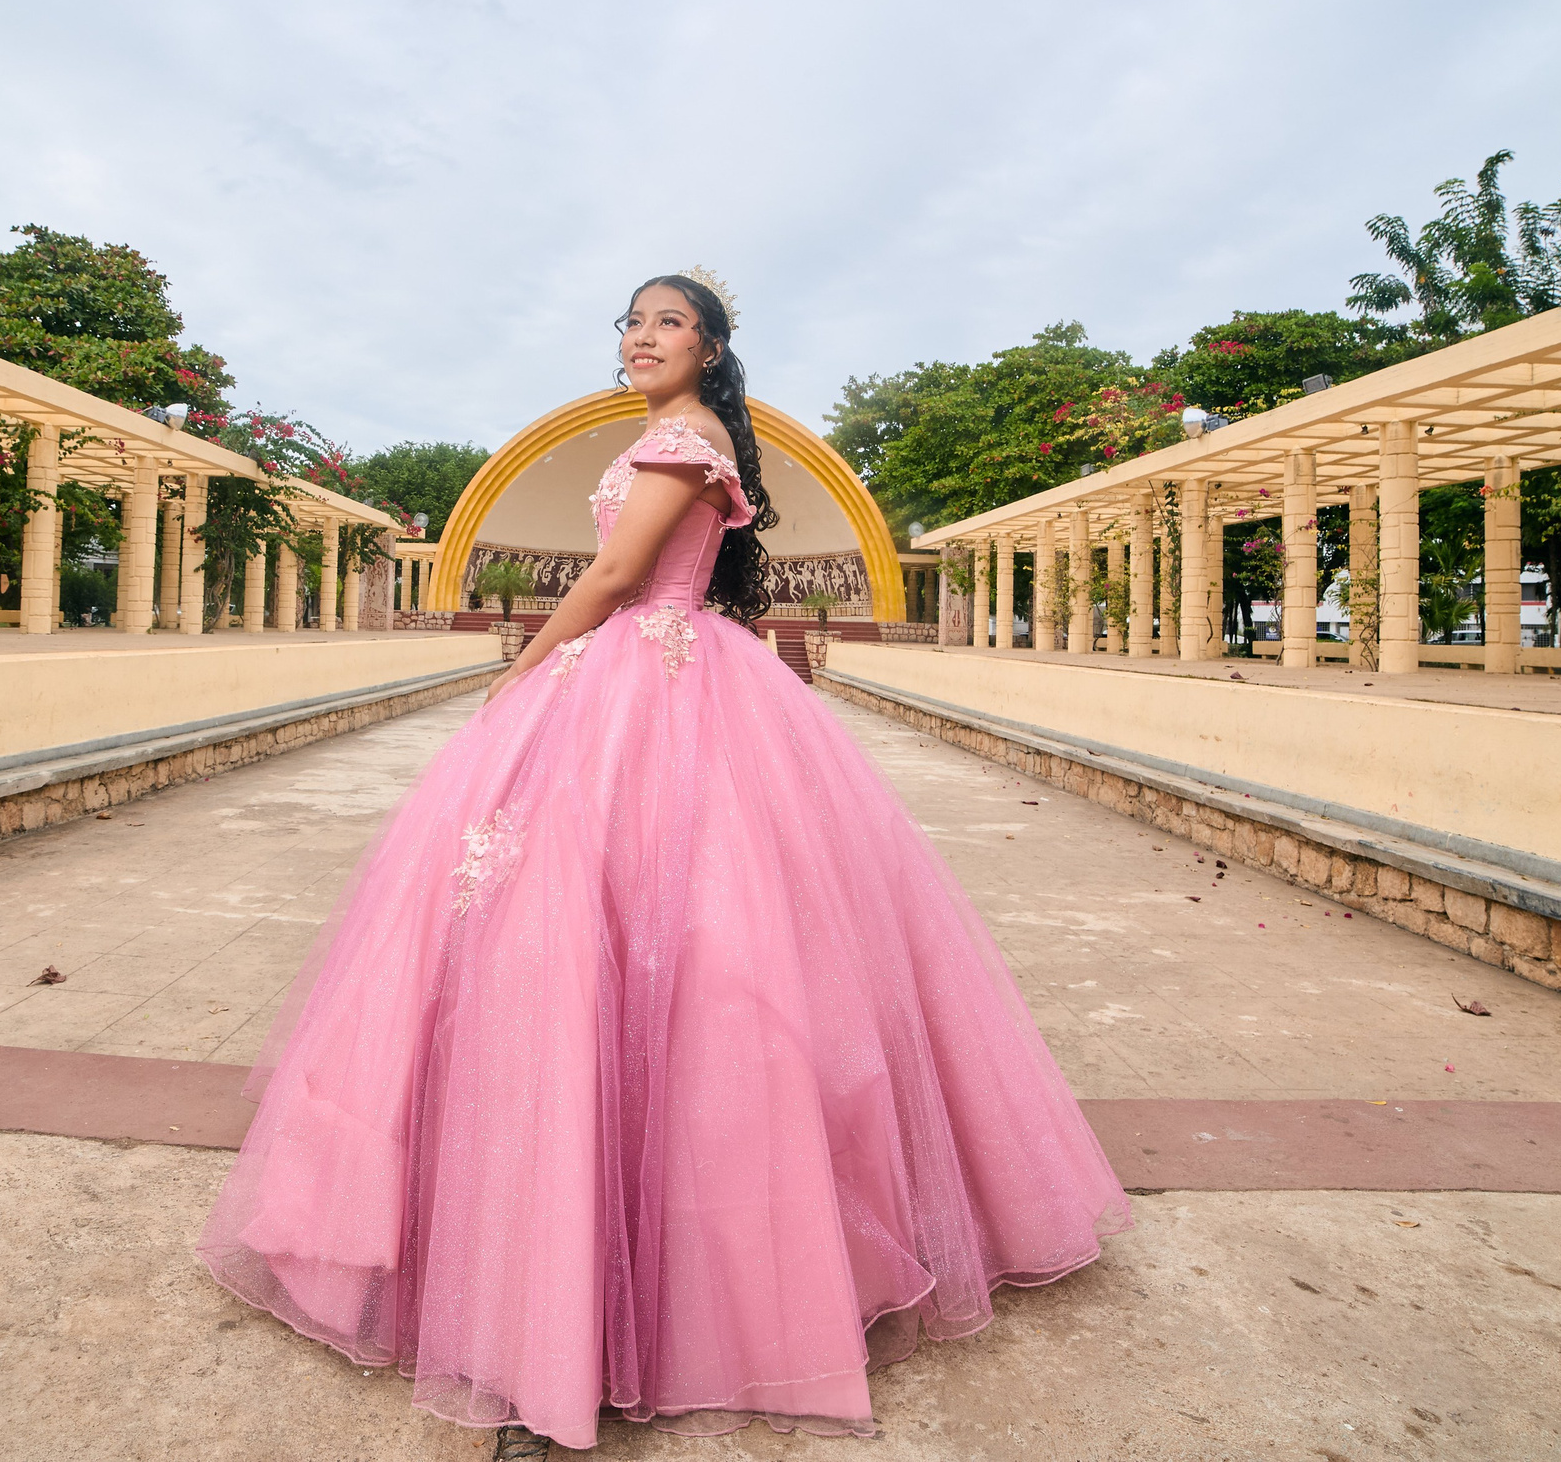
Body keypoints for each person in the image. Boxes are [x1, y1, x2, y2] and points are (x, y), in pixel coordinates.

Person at [198, 272, 1128, 1454]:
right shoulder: (663, 433)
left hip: (650, 685)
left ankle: (630, 1290)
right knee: (565, 934)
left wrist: (520, 672)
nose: (642, 337)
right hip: (647, 684)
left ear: (712, 348)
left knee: (671, 949)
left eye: (668, 322)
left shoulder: (686, 438)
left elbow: (618, 576)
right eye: (632, 321)